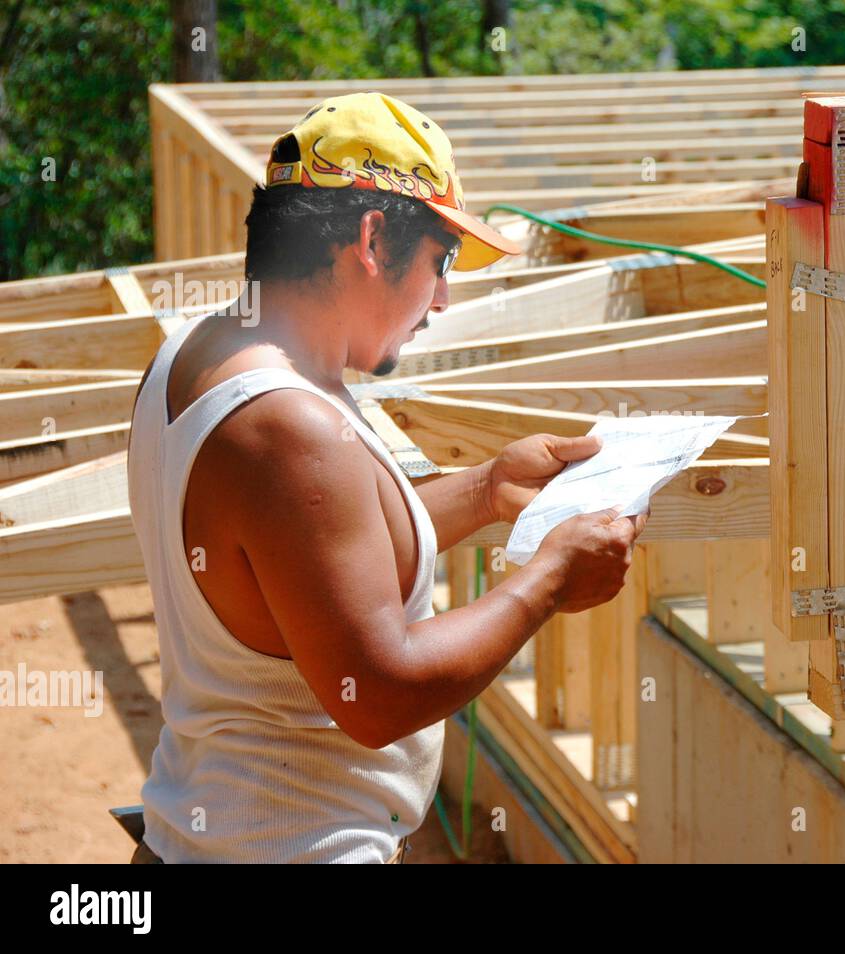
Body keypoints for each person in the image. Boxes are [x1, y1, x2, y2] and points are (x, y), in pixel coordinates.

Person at [126, 92, 645, 863]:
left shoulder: (197, 352)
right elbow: (375, 693)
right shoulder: (288, 427)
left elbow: (312, 564)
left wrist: (486, 487)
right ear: (372, 239)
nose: (442, 298)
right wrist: (549, 581)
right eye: (440, 262)